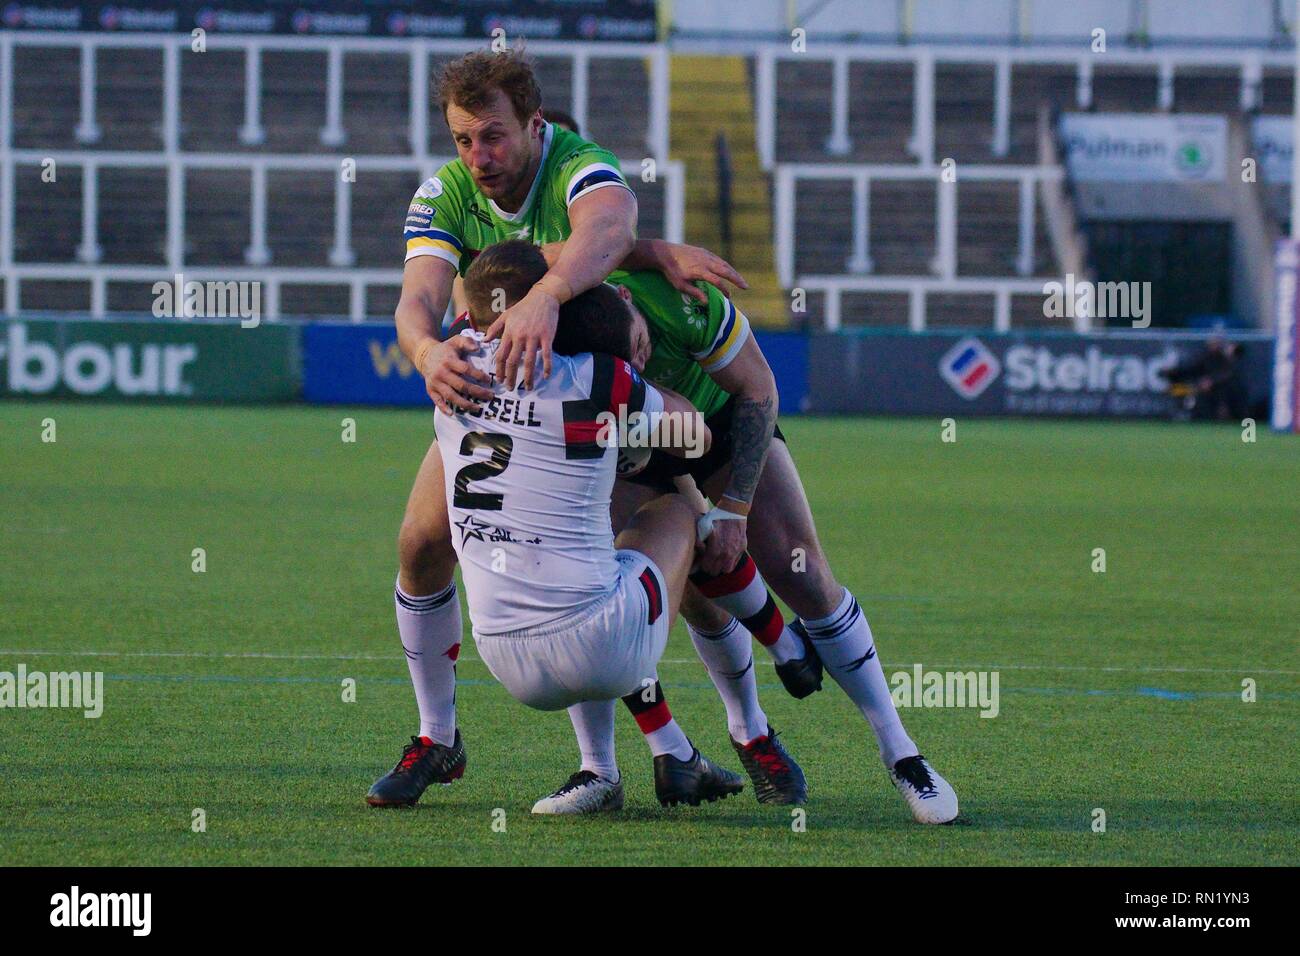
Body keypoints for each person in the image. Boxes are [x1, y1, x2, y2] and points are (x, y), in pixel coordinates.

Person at [368, 47, 745, 807]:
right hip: (509, 396)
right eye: (464, 139)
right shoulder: (443, 193)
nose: (480, 156)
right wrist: (425, 350)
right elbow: (417, 298)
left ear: (535, 125)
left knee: (745, 548)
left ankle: (742, 724)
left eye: (495, 136)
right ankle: (438, 738)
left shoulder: (577, 162)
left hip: (594, 393)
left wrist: (550, 294)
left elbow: (608, 227)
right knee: (418, 543)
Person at [433, 241, 745, 811]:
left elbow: (470, 302)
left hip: (505, 659)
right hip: (603, 646)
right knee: (673, 509)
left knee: (581, 563)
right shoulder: (598, 379)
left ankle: (607, 769)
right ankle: (728, 731)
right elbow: (694, 435)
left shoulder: (451, 364)